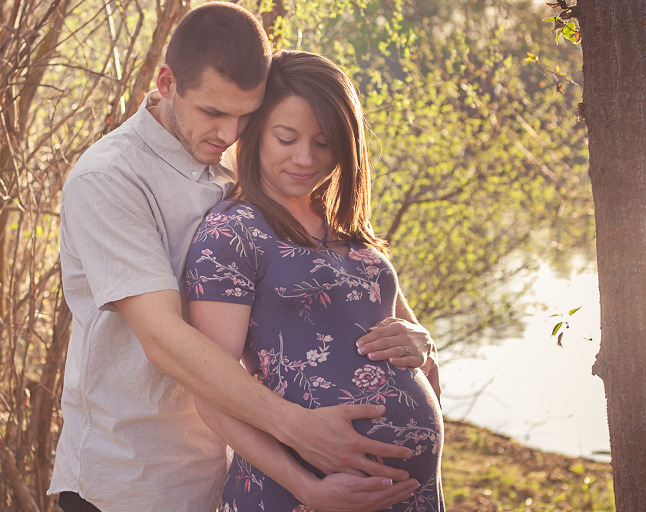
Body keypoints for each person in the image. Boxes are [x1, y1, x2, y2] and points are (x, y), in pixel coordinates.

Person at [50, 3, 436, 511]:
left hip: (224, 472)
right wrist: (301, 431)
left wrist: (419, 338)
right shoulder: (112, 179)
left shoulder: (238, 166)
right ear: (166, 82)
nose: (229, 133)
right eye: (213, 112)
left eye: (245, 115)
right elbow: (164, 340)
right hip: (130, 478)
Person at [184, 50, 444, 511]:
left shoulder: (347, 230)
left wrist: (423, 342)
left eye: (323, 143)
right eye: (286, 139)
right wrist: (310, 489)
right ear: (257, 133)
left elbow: (408, 333)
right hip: (298, 496)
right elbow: (212, 391)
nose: (305, 158)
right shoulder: (232, 232)